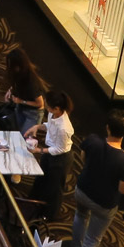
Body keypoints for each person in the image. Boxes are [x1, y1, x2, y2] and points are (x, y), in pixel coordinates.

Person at [69, 111, 124, 247]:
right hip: (104, 203)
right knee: (92, 239)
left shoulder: (92, 140)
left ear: (107, 128)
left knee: (80, 216)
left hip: (82, 190)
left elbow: (84, 158)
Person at [24, 91, 75, 219]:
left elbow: (59, 149)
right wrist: (37, 127)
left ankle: (49, 215)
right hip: (50, 150)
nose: (46, 108)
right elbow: (49, 126)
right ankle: (32, 204)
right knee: (41, 179)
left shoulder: (64, 128)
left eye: (48, 106)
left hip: (61, 158)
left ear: (57, 108)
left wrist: (39, 151)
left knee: (54, 189)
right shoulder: (53, 114)